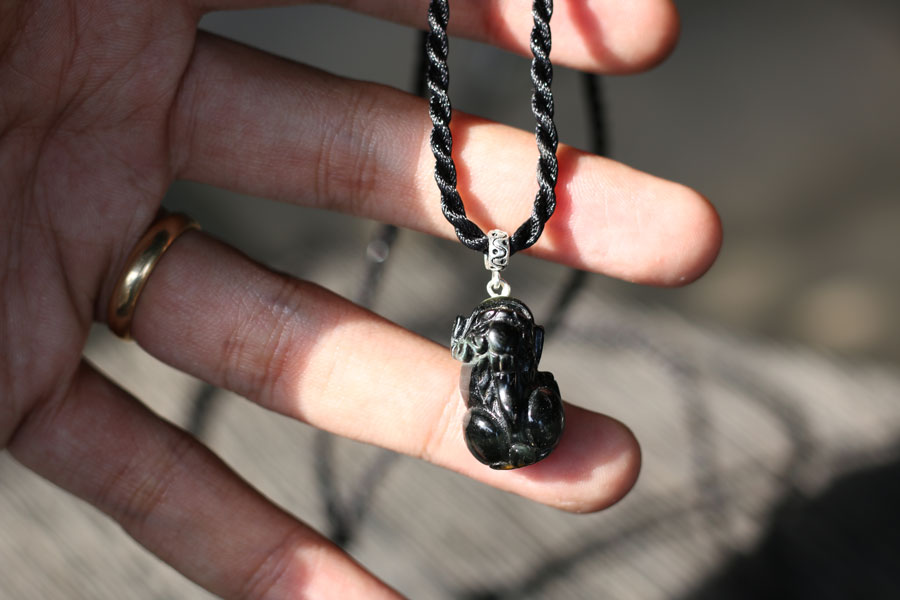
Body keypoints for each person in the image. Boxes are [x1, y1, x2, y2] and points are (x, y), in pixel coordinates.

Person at [0, 1, 721, 597]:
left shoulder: (510, 338)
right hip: (497, 411)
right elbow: (478, 355)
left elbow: (515, 351)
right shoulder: (489, 341)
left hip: (514, 409)